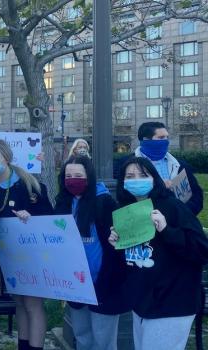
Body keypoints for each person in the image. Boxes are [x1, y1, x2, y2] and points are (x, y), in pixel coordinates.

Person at [109, 156, 208, 350]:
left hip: (172, 302)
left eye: (142, 175)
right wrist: (117, 244)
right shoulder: (125, 212)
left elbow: (201, 250)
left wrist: (167, 230)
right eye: (130, 176)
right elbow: (134, 259)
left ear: (154, 178)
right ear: (123, 182)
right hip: (142, 304)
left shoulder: (173, 207)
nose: (136, 179)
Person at [0, 140, 53, 350]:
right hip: (4, 255)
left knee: (32, 304)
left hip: (30, 254)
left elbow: (49, 218)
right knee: (19, 302)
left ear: (6, 158)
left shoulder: (29, 185)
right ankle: (23, 345)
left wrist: (31, 216)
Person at [55, 156, 128, 350]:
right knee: (82, 336)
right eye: (68, 176)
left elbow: (115, 249)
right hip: (76, 284)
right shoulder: (62, 202)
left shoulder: (105, 203)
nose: (72, 180)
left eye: (78, 175)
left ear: (89, 176)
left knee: (103, 341)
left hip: (104, 284)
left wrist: (106, 281)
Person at [114, 121, 203, 215]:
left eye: (166, 137)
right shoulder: (125, 164)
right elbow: (121, 196)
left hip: (177, 222)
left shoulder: (180, 165)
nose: (166, 141)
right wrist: (158, 186)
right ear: (146, 140)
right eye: (161, 138)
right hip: (142, 222)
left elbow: (196, 196)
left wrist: (181, 214)